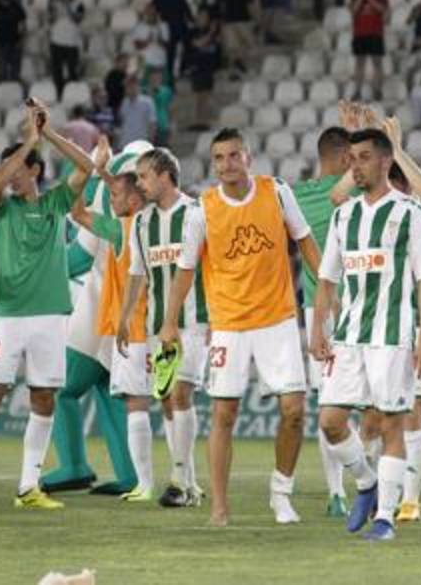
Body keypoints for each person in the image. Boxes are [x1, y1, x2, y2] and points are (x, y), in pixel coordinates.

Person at [159, 127, 322, 527]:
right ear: (213, 164)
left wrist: (330, 293)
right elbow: (184, 271)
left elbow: (305, 242)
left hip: (279, 319)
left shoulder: (277, 192)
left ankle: (281, 493)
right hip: (229, 325)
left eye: (234, 156)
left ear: (248, 158)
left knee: (295, 410)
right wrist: (168, 322)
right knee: (224, 412)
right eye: (219, 158)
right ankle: (219, 505)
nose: (227, 164)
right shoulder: (202, 209)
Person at [0, 100, 96, 511]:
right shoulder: (0, 209)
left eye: (19, 167)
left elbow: (87, 168)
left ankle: (29, 486)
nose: (10, 175)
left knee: (44, 398)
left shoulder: (53, 205)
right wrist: (29, 137)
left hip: (50, 316)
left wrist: (47, 135)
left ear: (34, 170)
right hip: (9, 316)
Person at [310, 128, 421, 542]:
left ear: (386, 162)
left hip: (393, 335)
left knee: (390, 425)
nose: (355, 165)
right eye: (351, 157)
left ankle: (385, 517)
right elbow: (327, 278)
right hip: (348, 335)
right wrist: (318, 328)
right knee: (331, 422)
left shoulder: (410, 212)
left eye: (364, 156)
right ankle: (366, 482)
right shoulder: (344, 215)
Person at [119, 147, 209, 508]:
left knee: (181, 393)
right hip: (159, 324)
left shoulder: (196, 213)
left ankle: (177, 479)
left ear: (164, 175)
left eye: (143, 176)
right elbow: (137, 273)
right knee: (169, 402)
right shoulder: (142, 222)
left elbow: (201, 268)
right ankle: (189, 483)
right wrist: (125, 317)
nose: (138, 184)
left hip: (195, 320)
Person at [67, 143, 154, 502]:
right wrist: (103, 173)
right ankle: (173, 481)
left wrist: (90, 172)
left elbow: (76, 211)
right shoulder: (151, 224)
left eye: (115, 195)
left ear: (132, 199)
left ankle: (144, 484)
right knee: (164, 403)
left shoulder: (121, 229)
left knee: (138, 403)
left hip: (132, 329)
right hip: (150, 326)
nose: (109, 199)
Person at [292, 124, 356, 518]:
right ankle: (372, 483)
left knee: (327, 399)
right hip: (361, 307)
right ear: (348, 157)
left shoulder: (297, 198)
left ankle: (337, 493)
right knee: (371, 405)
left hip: (318, 310)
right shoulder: (360, 193)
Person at [349, 0, 389, 101]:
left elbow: (382, 10)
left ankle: (377, 90)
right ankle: (357, 91)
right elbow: (353, 11)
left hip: (375, 32)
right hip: (360, 33)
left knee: (377, 63)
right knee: (359, 63)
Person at [151, 0, 194, 81]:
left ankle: (170, 74)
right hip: (180, 23)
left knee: (171, 52)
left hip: (168, 26)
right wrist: (191, 19)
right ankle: (184, 69)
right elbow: (185, 7)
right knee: (187, 47)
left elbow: (154, 13)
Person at [220, 0, 256, 80]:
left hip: (229, 20)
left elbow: (223, 5)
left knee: (232, 48)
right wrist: (255, 18)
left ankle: (233, 72)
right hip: (243, 19)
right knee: (247, 43)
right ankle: (239, 61)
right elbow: (249, 5)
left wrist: (223, 19)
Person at [48, 0, 85, 96]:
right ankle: (59, 94)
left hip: (72, 43)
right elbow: (50, 20)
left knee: (72, 71)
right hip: (56, 41)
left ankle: (73, 94)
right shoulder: (54, 4)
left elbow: (78, 19)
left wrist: (68, 7)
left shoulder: (78, 4)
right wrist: (55, 10)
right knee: (57, 71)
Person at [119, 75, 157, 149]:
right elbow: (123, 123)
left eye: (131, 86)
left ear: (137, 86)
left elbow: (152, 124)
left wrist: (150, 143)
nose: (128, 89)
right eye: (126, 86)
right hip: (126, 144)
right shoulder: (124, 103)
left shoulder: (147, 102)